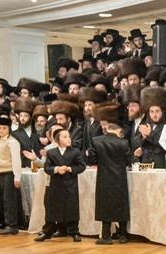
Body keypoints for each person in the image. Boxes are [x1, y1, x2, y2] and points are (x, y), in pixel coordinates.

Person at [87, 100, 132, 244]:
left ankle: (106, 236)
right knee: (121, 204)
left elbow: (92, 159)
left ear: (107, 129)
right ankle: (123, 235)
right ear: (117, 130)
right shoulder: (123, 142)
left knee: (105, 206)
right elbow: (129, 161)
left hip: (104, 177)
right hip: (120, 178)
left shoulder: (96, 141)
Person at [35, 126, 82, 242]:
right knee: (52, 208)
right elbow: (47, 168)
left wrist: (70, 169)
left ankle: (74, 231)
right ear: (57, 140)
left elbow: (81, 166)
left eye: (69, 136)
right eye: (65, 137)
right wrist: (57, 169)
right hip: (55, 185)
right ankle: (48, 231)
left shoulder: (75, 152)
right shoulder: (51, 153)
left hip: (70, 185)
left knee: (71, 208)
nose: (68, 139)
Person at [0, 116, 24, 235]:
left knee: (9, 200)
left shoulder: (12, 142)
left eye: (4, 128)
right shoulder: (1, 141)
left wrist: (17, 177)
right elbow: (2, 158)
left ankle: (12, 225)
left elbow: (16, 160)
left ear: (9, 128)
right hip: (1, 173)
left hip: (10, 173)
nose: (1, 130)